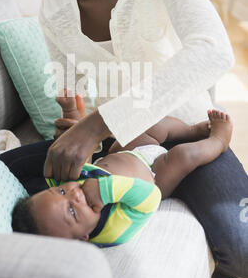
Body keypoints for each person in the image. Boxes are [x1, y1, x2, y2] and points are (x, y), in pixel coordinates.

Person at [2, 0, 248, 278]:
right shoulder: (53, 6)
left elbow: (213, 51)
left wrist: (97, 123)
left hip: (183, 127)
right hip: (111, 147)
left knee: (243, 247)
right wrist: (75, 122)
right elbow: (69, 86)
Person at [12, 91, 232, 248]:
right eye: (72, 211)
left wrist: (71, 116)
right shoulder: (113, 229)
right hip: (154, 175)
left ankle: (190, 129)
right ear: (82, 239)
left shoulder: (72, 192)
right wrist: (105, 190)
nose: (74, 194)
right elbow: (149, 198)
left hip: (121, 153)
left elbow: (79, 158)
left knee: (147, 126)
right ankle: (218, 141)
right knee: (184, 156)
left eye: (60, 192)